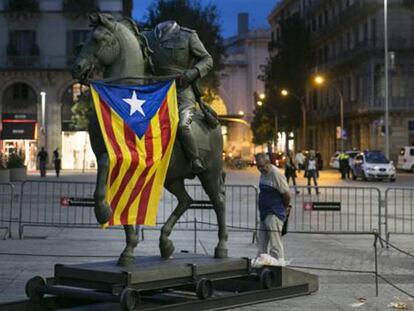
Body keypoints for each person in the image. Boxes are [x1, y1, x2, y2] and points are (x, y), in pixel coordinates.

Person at [144, 21, 213, 174]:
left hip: (182, 89)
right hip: (156, 89)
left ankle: (194, 159)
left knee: (182, 124)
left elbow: (207, 60)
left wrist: (193, 72)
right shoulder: (146, 36)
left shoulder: (188, 36)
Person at [255, 153, 292, 262]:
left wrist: (285, 208)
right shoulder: (263, 174)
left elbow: (287, 194)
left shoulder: (276, 174)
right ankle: (261, 261)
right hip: (264, 213)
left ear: (268, 163)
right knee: (261, 241)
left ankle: (279, 263)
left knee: (275, 243)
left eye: (262, 166)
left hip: (274, 213)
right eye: (258, 166)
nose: (261, 169)